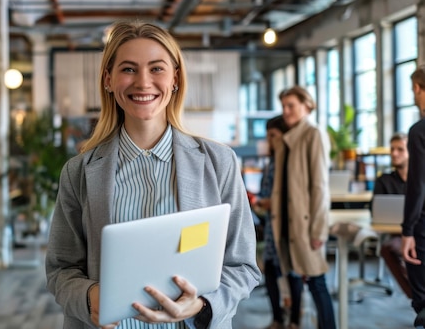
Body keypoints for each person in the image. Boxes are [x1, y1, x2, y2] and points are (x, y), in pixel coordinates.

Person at [45, 20, 261, 329]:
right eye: (129, 69)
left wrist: (201, 305)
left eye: (157, 68)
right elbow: (60, 269)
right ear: (108, 79)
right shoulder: (79, 172)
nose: (143, 82)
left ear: (175, 78)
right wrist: (89, 298)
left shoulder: (219, 162)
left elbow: (242, 266)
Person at [271, 86, 336, 329]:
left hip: (305, 223)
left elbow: (319, 186)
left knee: (317, 282)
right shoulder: (287, 138)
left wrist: (319, 230)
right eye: (284, 106)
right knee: (295, 277)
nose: (286, 111)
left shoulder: (313, 134)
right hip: (288, 220)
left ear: (307, 105)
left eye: (291, 106)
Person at [254, 115, 303, 329]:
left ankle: (294, 320)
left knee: (292, 273)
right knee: (271, 273)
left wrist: (269, 202)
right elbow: (267, 192)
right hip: (271, 227)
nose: (270, 140)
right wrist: (260, 202)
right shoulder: (271, 163)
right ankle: (277, 318)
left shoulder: (292, 162)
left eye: (274, 135)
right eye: (268, 136)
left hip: (287, 228)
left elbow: (292, 197)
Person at [372, 133, 412, 298]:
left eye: (400, 149)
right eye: (392, 149)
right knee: (389, 248)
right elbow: (374, 211)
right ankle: (414, 296)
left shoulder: (420, 179)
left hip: (419, 232)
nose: (394, 153)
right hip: (397, 234)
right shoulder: (384, 181)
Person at [402, 65, 425, 328]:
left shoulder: (419, 131)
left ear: (418, 88)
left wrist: (407, 231)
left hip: (423, 229)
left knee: (423, 303)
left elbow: (417, 186)